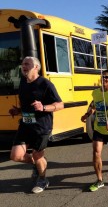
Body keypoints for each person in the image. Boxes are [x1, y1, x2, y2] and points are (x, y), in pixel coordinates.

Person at [9, 56, 64, 194]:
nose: (23, 66)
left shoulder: (45, 84)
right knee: (15, 156)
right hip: (26, 124)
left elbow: (60, 105)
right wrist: (18, 110)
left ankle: (43, 179)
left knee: (37, 154)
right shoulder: (22, 83)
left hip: (41, 126)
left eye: (27, 64)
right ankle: (38, 163)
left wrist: (43, 107)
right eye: (22, 64)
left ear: (36, 67)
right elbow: (27, 105)